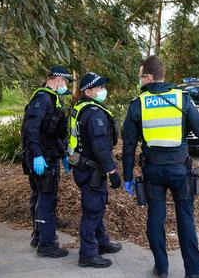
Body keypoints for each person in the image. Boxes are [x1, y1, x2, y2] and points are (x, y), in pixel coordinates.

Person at [122, 55, 199, 278]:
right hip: (180, 171)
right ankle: (194, 272)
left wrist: (127, 176)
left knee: (155, 218)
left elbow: (128, 146)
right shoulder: (182, 98)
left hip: (153, 171)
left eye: (140, 77)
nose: (139, 80)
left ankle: (161, 268)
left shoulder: (137, 104)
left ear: (148, 77)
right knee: (185, 218)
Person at [68, 72, 122, 268]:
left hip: (83, 167)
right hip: (91, 170)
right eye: (99, 87)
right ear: (88, 91)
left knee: (96, 206)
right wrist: (112, 171)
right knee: (92, 211)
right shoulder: (94, 113)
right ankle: (88, 255)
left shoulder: (80, 108)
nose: (103, 91)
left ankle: (102, 242)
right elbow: (100, 147)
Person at [21, 65, 73, 258]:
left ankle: (38, 236)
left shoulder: (52, 99)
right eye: (66, 81)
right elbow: (30, 129)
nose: (66, 86)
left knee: (40, 196)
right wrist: (36, 154)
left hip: (47, 155)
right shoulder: (42, 99)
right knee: (46, 198)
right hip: (41, 158)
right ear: (58, 79)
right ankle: (46, 244)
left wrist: (64, 154)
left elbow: (53, 133)